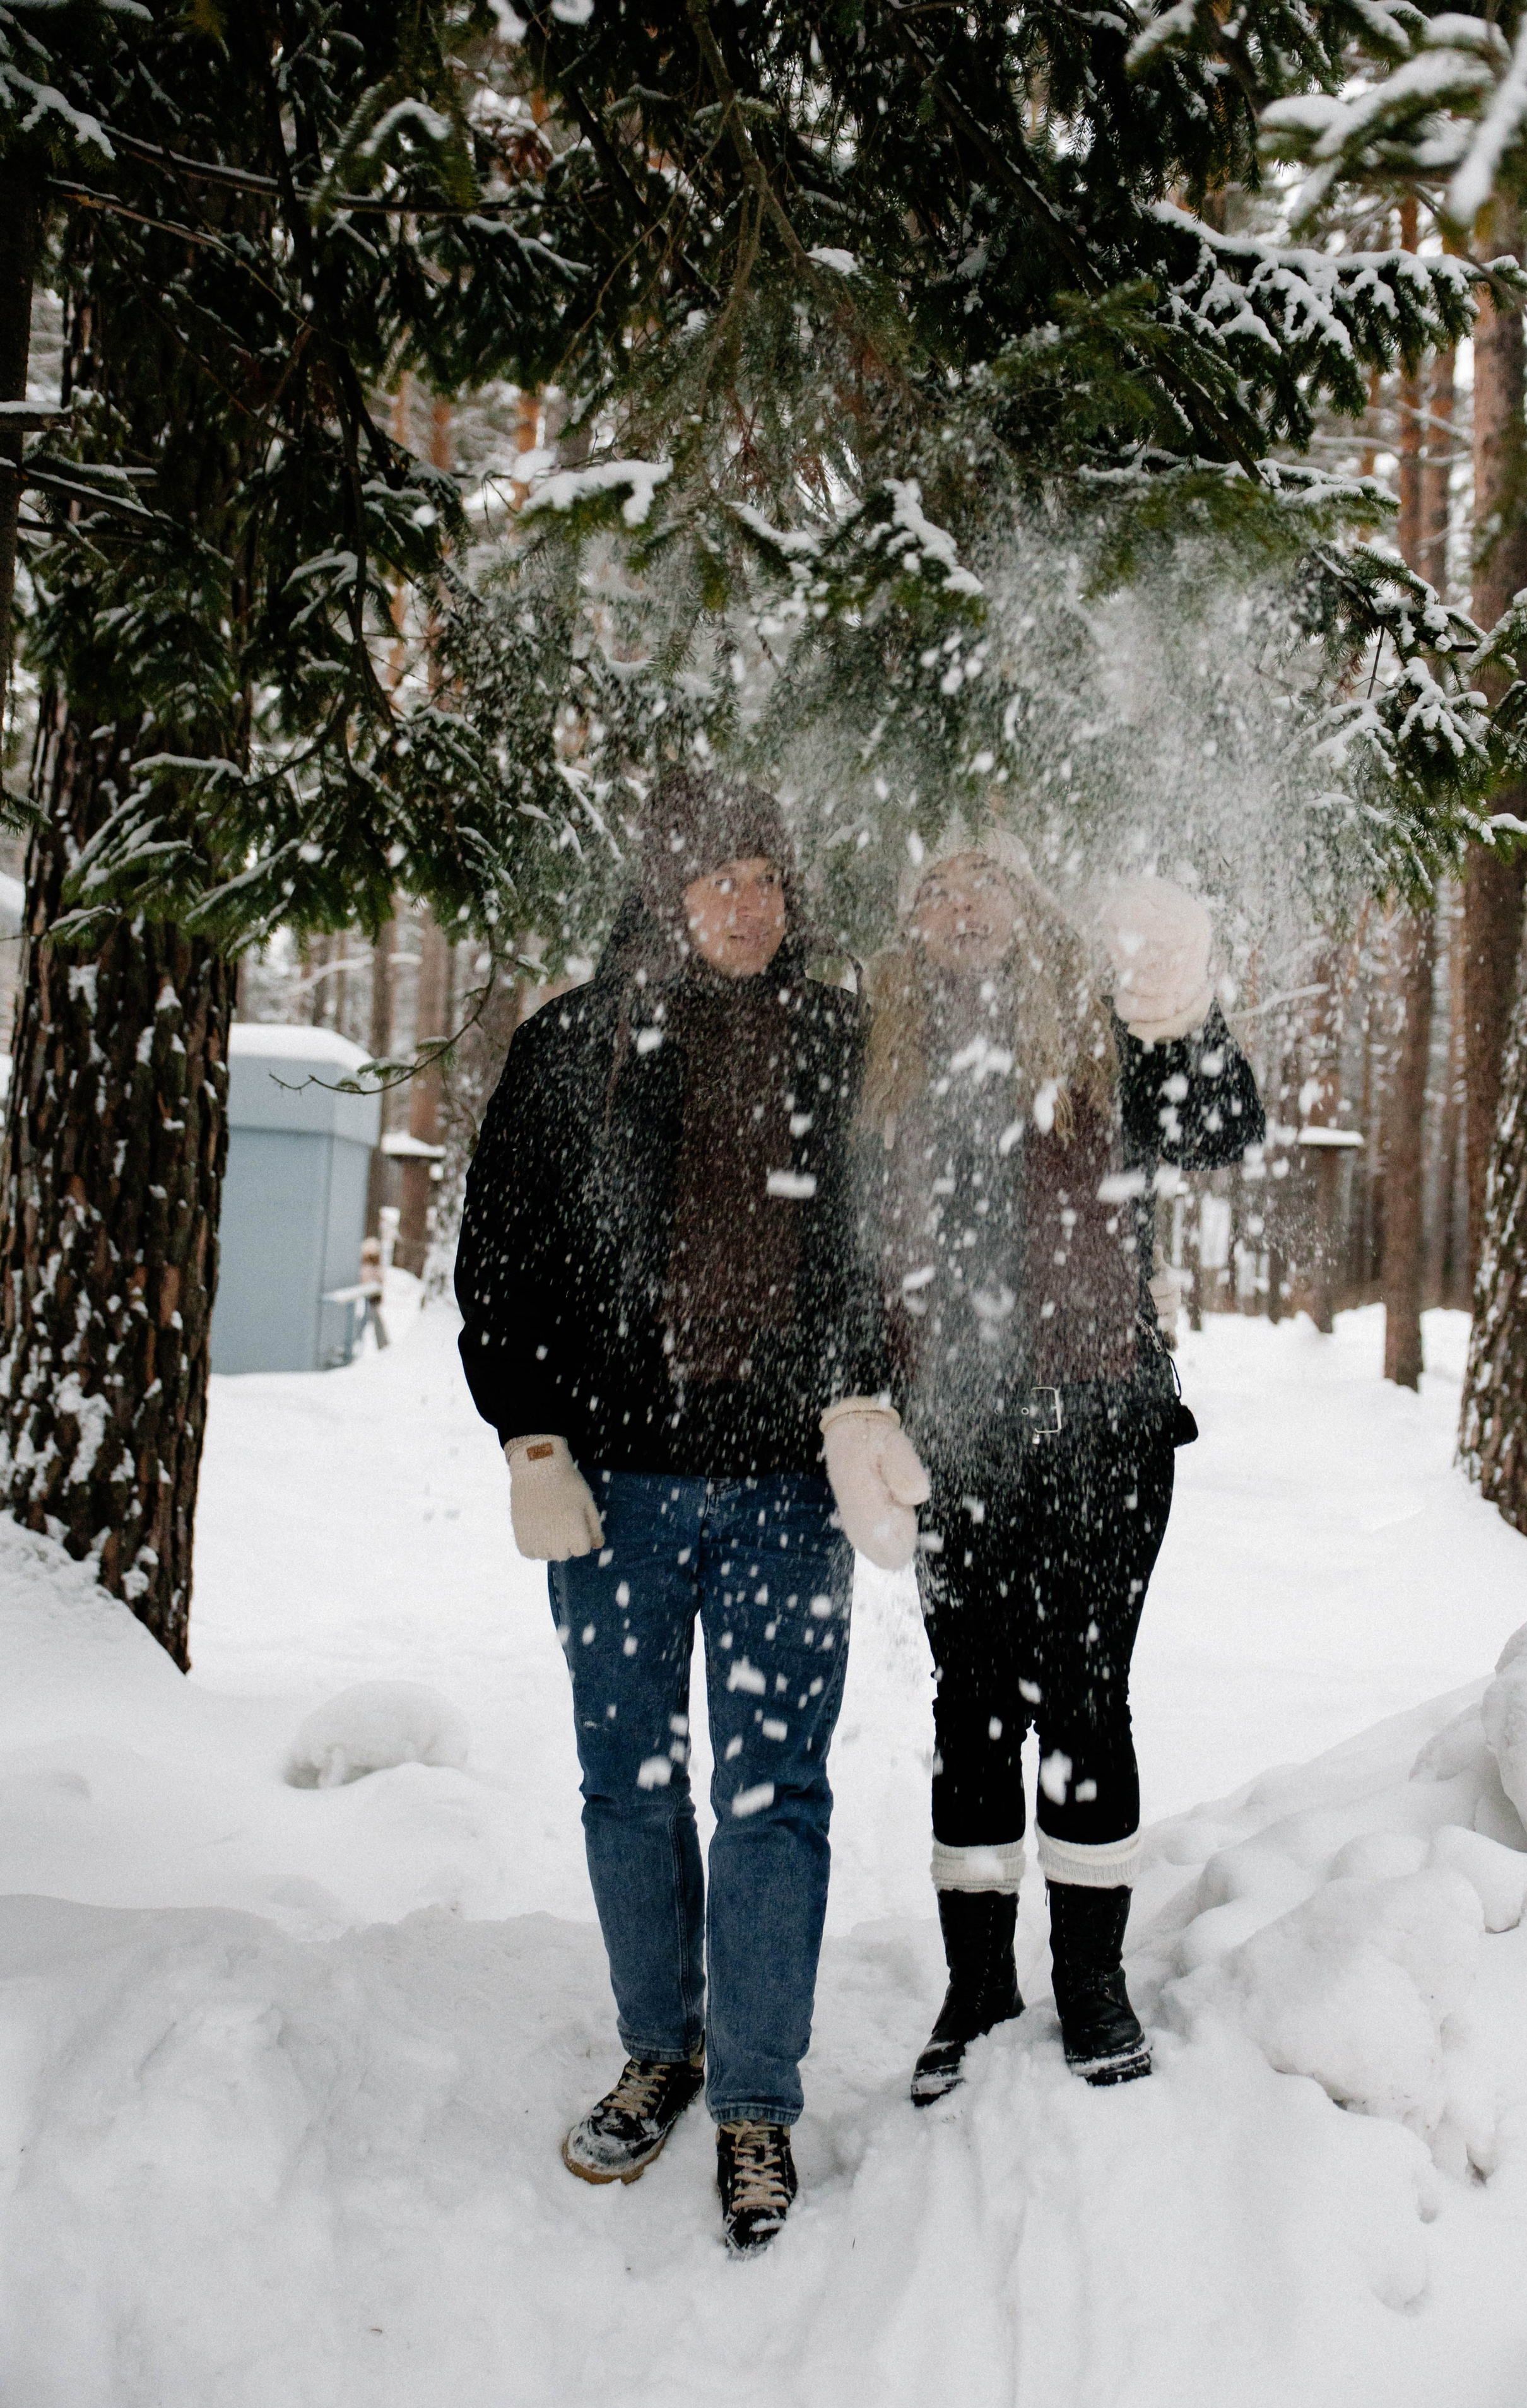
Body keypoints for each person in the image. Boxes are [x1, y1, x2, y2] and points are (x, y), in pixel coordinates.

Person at [455, 768, 928, 2253]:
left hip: (790, 1489)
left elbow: (891, 1240)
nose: (746, 904)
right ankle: (659, 2046)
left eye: (768, 882)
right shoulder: (576, 1045)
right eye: (720, 879)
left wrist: (862, 1392)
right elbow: (505, 1251)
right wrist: (528, 1432)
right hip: (619, 1491)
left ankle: (756, 2104)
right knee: (629, 1784)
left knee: (772, 1795)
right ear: (668, 894)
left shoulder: (845, 1045)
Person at [857, 830, 1265, 2103]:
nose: (955, 904)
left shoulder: (1098, 1036)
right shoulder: (881, 1064)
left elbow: (1219, 1125)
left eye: (981, 883)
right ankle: (976, 1986)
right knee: (970, 1711)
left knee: (1085, 1703)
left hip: (1102, 1426)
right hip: (947, 1440)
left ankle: (1091, 1981)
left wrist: (1185, 1008)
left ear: (1030, 913)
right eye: (933, 891)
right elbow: (840, 1250)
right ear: (911, 929)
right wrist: (856, 1399)